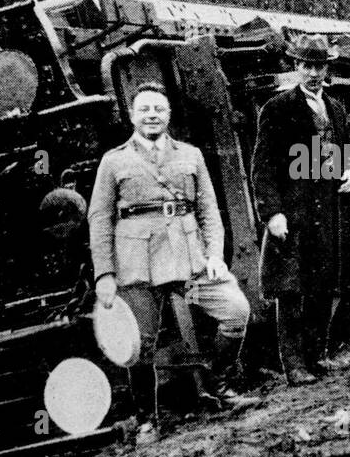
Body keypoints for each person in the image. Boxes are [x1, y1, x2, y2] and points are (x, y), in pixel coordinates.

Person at [89, 82, 259, 430]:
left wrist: (214, 254)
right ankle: (146, 419)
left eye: (159, 110)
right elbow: (99, 218)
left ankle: (220, 387)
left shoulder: (190, 154)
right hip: (137, 264)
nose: (152, 116)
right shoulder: (114, 160)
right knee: (139, 343)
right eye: (144, 110)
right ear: (132, 116)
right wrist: (104, 274)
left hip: (188, 259)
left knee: (235, 310)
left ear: (168, 115)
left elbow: (209, 209)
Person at [250, 34, 350, 386]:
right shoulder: (277, 108)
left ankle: (317, 355)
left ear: (326, 69)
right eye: (306, 66)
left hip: (330, 212)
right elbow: (263, 166)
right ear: (295, 67)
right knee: (291, 291)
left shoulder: (335, 108)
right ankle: (295, 365)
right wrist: (272, 213)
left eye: (318, 66)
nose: (313, 73)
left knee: (324, 285)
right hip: (295, 211)